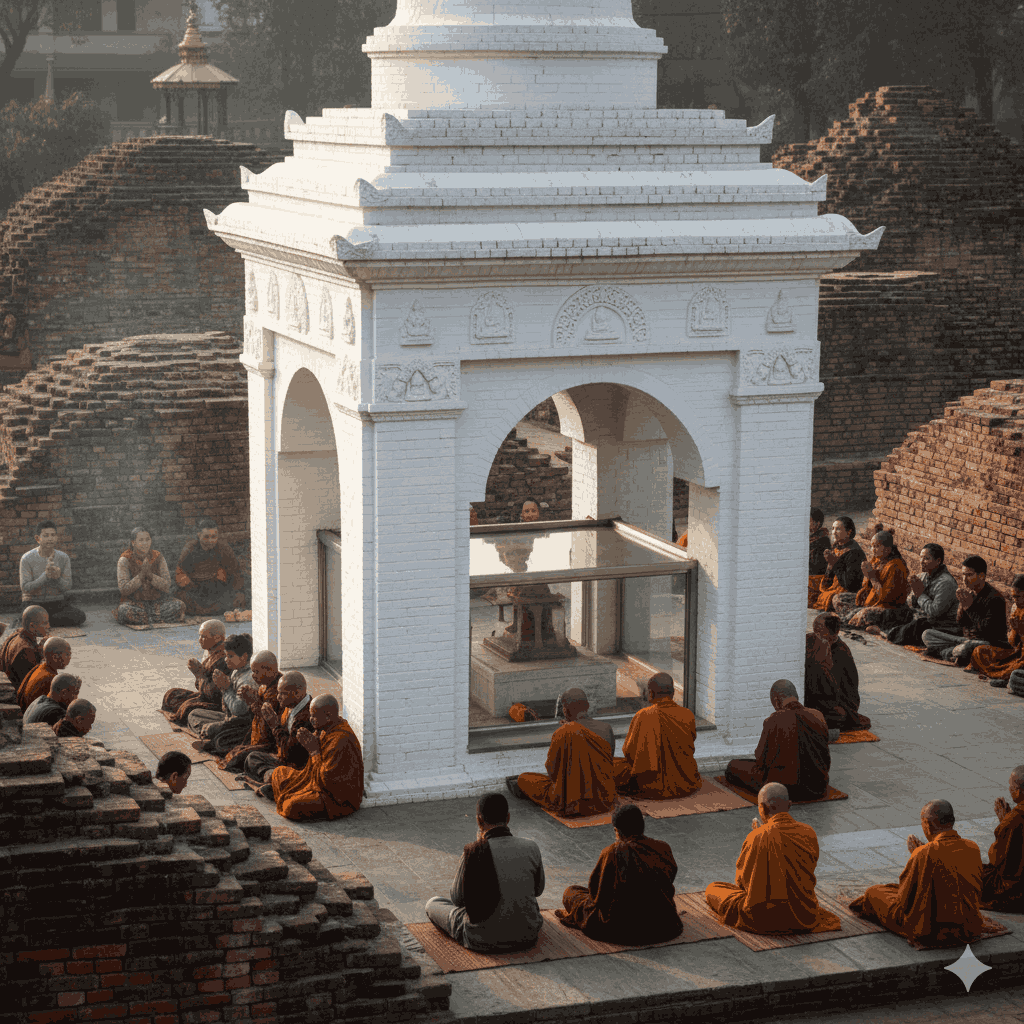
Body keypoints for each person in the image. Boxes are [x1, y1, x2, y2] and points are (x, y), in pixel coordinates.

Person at [705, 782, 840, 934]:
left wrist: (757, 838)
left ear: (762, 808)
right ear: (789, 805)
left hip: (761, 919)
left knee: (713, 889)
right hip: (803, 916)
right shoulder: (808, 832)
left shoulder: (756, 837)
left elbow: (742, 882)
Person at [849, 799, 984, 947]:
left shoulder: (923, 854)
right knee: (892, 889)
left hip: (933, 932)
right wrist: (921, 856)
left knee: (873, 893)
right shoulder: (973, 847)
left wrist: (918, 856)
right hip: (971, 928)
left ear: (927, 824)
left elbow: (904, 900)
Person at [425, 792, 545, 953]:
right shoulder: (531, 847)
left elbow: (457, 899)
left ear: (479, 820)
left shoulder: (473, 850)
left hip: (481, 938)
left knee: (433, 903)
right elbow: (538, 890)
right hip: (527, 934)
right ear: (508, 818)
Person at [557, 803, 682, 945]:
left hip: (620, 929)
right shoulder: (662, 847)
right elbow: (667, 882)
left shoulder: (612, 852)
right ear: (642, 826)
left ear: (616, 831)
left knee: (571, 892)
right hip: (664, 925)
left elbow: (597, 896)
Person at [509, 687, 616, 818]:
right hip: (604, 800)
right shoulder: (606, 728)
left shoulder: (563, 733)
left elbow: (552, 770)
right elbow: (609, 761)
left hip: (572, 802)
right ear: (587, 706)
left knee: (524, 778)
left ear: (565, 710)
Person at [725, 679, 831, 801]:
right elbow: (825, 755)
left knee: (733, 766)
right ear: (795, 696)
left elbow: (761, 759)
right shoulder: (818, 715)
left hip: (782, 790)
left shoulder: (774, 719)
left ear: (776, 700)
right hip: (817, 787)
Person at [264, 694, 363, 821]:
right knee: (279, 772)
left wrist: (314, 751)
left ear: (328, 716)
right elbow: (310, 770)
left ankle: (288, 794)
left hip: (336, 798)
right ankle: (288, 792)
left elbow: (328, 782)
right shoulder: (324, 729)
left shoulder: (340, 740)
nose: (311, 720)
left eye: (314, 716)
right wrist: (309, 743)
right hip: (316, 781)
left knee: (291, 806)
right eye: (310, 715)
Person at [613, 673, 701, 799]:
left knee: (611, 766)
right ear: (673, 693)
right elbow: (689, 746)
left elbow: (629, 752)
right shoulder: (687, 715)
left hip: (649, 788)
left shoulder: (643, 716)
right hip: (686, 783)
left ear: (651, 693)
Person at [923, 556, 1009, 665]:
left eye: (969, 575)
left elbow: (987, 631)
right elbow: (961, 623)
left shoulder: (995, 598)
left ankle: (946, 652)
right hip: (964, 640)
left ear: (981, 576)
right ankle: (950, 652)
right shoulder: (971, 594)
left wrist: (969, 608)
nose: (964, 579)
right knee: (927, 634)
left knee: (968, 648)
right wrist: (962, 606)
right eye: (963, 574)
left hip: (987, 643)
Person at [869, 543, 958, 647]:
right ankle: (889, 630)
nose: (921, 561)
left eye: (926, 559)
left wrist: (920, 594)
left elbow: (935, 612)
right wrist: (915, 595)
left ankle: (887, 634)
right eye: (921, 557)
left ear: (938, 561)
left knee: (917, 626)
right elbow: (909, 604)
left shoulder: (946, 583)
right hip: (921, 617)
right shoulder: (922, 576)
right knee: (894, 612)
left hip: (939, 625)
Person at [240, 670, 312, 785]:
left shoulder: (306, 716)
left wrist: (274, 724)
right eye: (278, 693)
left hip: (297, 765)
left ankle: (272, 780)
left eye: (282, 693)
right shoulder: (290, 706)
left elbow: (292, 753)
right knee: (252, 757)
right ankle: (271, 778)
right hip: (284, 758)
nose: (278, 697)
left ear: (297, 693)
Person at [803, 614, 870, 734]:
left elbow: (834, 689)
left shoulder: (841, 652)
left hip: (835, 701)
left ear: (834, 633)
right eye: (814, 630)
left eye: (819, 631)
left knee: (838, 716)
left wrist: (820, 669)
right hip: (814, 696)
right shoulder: (812, 640)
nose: (815, 633)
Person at [217, 650, 283, 772]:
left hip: (271, 742)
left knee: (244, 756)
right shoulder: (263, 685)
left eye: (256, 672)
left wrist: (254, 701)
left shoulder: (279, 691)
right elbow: (251, 716)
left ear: (269, 670)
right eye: (252, 671)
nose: (253, 676)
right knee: (223, 740)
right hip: (254, 733)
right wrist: (250, 700)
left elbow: (271, 724)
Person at [188, 633, 253, 753]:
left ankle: (211, 739)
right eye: (226, 655)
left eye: (230, 656)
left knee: (219, 735)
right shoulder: (235, 671)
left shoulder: (247, 679)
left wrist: (225, 688)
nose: (226, 659)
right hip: (228, 718)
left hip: (241, 724)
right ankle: (210, 734)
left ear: (244, 657)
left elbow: (238, 711)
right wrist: (200, 676)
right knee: (193, 714)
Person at [19, 520, 87, 626]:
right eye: (46, 535)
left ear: (56, 537)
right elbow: (25, 587)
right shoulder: (26, 558)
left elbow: (67, 587)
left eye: (53, 535)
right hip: (34, 603)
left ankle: (42, 622)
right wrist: (45, 576)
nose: (50, 538)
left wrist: (57, 578)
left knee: (80, 616)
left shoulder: (63, 558)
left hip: (56, 603)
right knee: (30, 614)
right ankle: (43, 621)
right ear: (38, 538)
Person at [160, 619, 228, 725]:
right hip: (204, 695)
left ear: (218, 638)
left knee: (188, 709)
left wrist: (199, 674)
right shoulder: (209, 650)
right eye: (200, 636)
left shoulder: (223, 658)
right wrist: (197, 674)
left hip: (218, 703)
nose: (200, 640)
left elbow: (214, 695)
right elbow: (200, 687)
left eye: (204, 637)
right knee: (171, 695)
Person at [174, 519, 246, 615]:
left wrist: (237, 591)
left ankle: (210, 611)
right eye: (206, 537)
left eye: (214, 537)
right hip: (196, 590)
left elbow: (235, 572)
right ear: (199, 535)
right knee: (182, 599)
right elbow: (180, 574)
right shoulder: (190, 549)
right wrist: (192, 587)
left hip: (218, 590)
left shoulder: (224, 548)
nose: (210, 541)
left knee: (237, 598)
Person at [116, 527, 186, 626]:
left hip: (157, 603)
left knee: (180, 605)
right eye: (141, 540)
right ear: (133, 542)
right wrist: (141, 575)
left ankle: (147, 617)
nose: (145, 543)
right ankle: (155, 617)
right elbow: (124, 589)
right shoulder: (125, 559)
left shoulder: (158, 557)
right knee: (123, 611)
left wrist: (150, 576)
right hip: (135, 604)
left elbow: (167, 585)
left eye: (147, 539)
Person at [844, 530, 911, 628]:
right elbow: (866, 586)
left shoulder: (895, 566)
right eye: (872, 546)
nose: (873, 550)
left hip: (892, 609)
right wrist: (866, 575)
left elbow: (887, 598)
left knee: (864, 614)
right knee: (839, 598)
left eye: (877, 546)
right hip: (874, 602)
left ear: (888, 549)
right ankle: (856, 616)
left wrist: (872, 577)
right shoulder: (877, 560)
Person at [981, 766, 1024, 911]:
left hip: (1015, 890)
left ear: (1018, 790)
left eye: (1010, 786)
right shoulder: (1013, 819)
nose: (1009, 789)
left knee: (968, 874)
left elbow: (997, 859)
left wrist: (1005, 823)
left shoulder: (1013, 820)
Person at [971, 575, 1024, 687]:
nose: (1014, 600)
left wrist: (1021, 632)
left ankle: (1008, 679)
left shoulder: (994, 598)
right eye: (1012, 597)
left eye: (1017, 597)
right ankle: (1006, 677)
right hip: (1014, 654)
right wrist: (966, 606)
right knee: (979, 651)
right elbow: (1012, 643)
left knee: (1016, 673)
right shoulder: (1016, 608)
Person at [812, 517, 865, 611]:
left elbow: (850, 585)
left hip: (845, 589)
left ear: (849, 532)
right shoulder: (837, 546)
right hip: (833, 585)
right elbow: (829, 576)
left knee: (825, 597)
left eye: (838, 529)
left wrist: (834, 563)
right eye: (833, 528)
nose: (834, 532)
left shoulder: (854, 553)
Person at [16, 636, 71, 711]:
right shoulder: (50, 678)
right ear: (55, 657)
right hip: (35, 719)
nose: (70, 658)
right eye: (67, 654)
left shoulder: (39, 667)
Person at [0, 605, 49, 689]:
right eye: (45, 623)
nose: (48, 626)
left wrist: (38, 650)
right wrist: (43, 656)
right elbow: (34, 684)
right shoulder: (26, 651)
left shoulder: (15, 635)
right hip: (20, 691)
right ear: (32, 626)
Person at [807, 508, 831, 607]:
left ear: (817, 523)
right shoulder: (812, 537)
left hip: (816, 579)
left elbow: (817, 567)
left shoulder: (822, 541)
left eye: (808, 521)